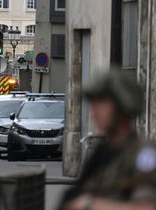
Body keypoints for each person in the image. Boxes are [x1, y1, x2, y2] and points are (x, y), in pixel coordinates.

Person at [59, 71, 156, 210]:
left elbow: (148, 206)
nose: (94, 110)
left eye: (102, 102)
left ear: (124, 105)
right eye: (93, 103)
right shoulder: (102, 153)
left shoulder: (144, 153)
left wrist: (89, 204)